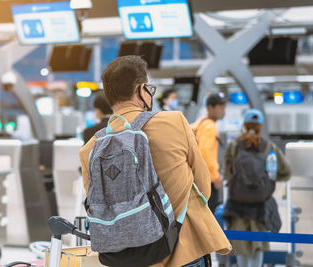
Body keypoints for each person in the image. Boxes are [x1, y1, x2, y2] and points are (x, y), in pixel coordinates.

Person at [79, 56, 231, 267]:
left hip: (126, 258)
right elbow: (203, 185)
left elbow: (99, 204)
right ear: (142, 90)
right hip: (182, 250)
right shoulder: (174, 121)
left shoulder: (91, 148)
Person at [222, 109, 291, 267]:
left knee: (240, 248)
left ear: (244, 126)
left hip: (237, 205)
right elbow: (285, 173)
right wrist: (268, 179)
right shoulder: (269, 147)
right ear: (261, 126)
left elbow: (227, 175)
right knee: (257, 248)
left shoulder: (234, 147)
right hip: (260, 205)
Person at [191, 93, 227, 213]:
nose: (223, 110)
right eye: (220, 107)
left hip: (196, 177)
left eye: (224, 107)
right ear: (210, 108)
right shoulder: (210, 127)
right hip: (208, 180)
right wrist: (215, 176)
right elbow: (205, 152)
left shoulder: (200, 123)